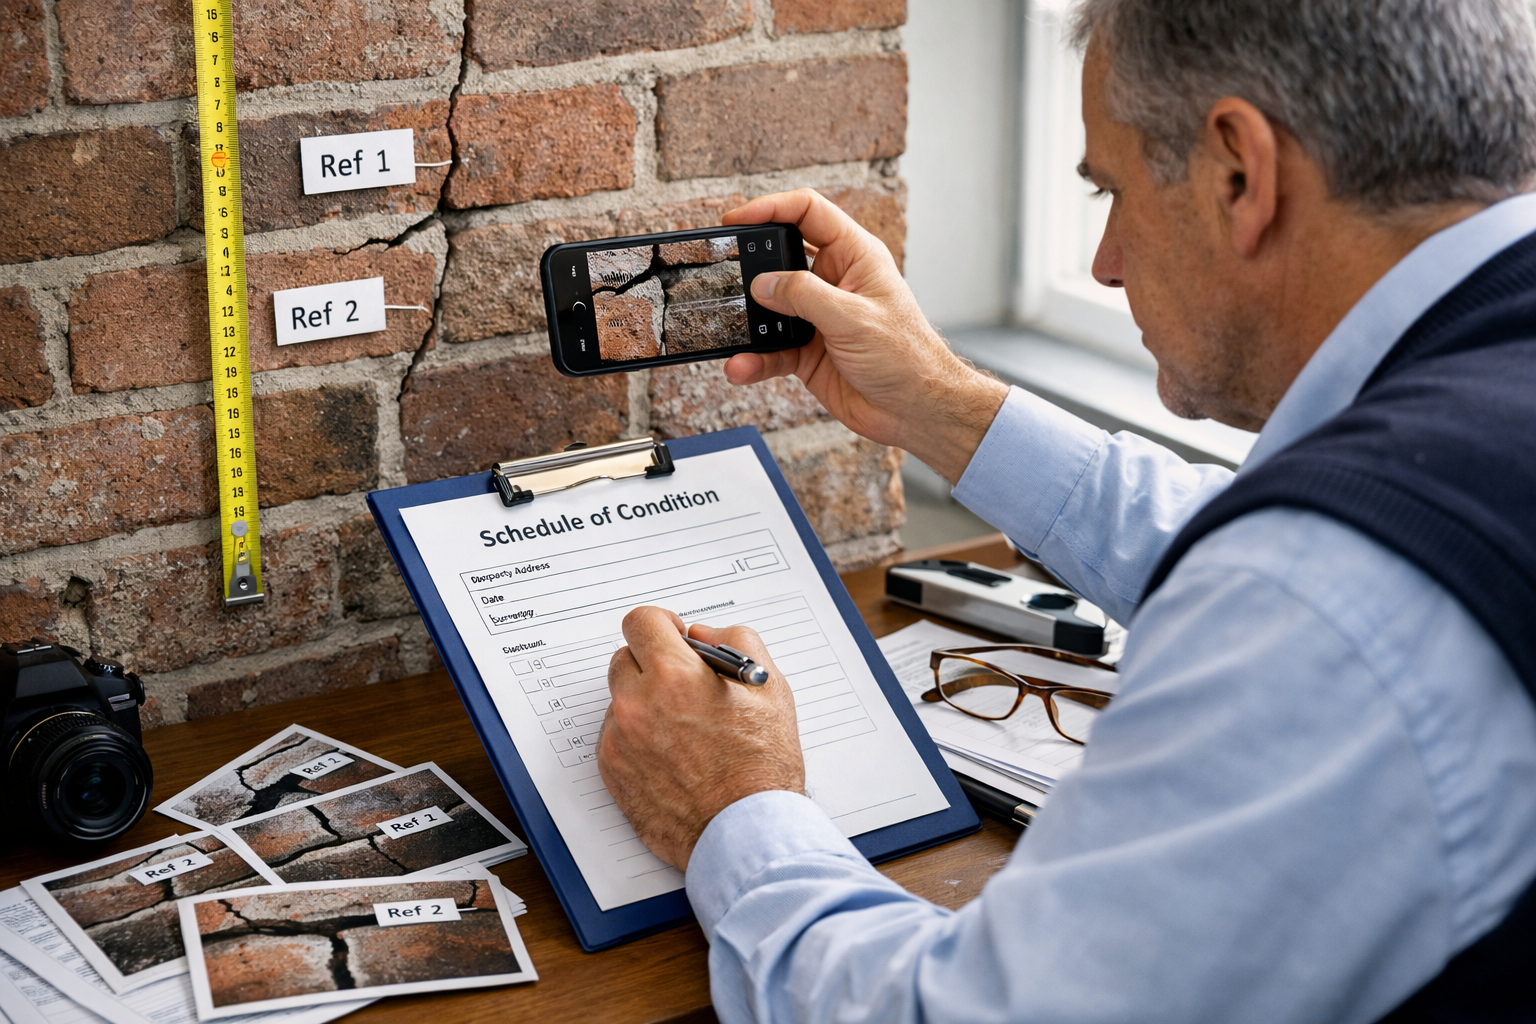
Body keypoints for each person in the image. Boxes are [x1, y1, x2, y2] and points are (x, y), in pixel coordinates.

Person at [596, 0, 1536, 1020]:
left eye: (1116, 190)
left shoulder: (1326, 602)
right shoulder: (1452, 446)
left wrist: (732, 810)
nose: (1106, 261)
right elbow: (1310, 551)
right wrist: (945, 406)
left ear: (1239, 171)